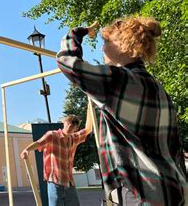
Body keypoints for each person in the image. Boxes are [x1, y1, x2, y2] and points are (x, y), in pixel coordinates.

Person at [57, 18, 187, 205]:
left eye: (106, 42)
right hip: (172, 189)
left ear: (127, 45)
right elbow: (174, 147)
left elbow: (67, 63)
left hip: (141, 191)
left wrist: (76, 33)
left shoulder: (118, 81)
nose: (102, 48)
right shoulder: (158, 89)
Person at [20, 106, 93, 205]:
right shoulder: (52, 135)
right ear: (64, 123)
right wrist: (27, 150)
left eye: (72, 126)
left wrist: (89, 107)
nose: (69, 127)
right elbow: (39, 143)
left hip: (69, 184)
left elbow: (88, 129)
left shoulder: (74, 138)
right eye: (68, 124)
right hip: (55, 183)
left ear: (76, 129)